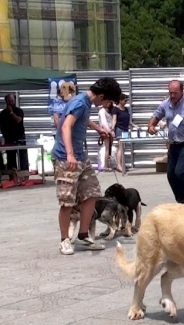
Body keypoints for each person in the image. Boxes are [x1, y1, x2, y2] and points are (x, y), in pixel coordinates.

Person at [51, 77, 121, 255]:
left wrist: (97, 128)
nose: (105, 105)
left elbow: (81, 119)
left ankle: (84, 234)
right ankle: (64, 240)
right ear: (102, 96)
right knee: (67, 201)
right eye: (107, 102)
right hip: (66, 158)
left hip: (81, 158)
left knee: (92, 193)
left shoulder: (84, 103)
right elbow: (66, 125)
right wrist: (70, 154)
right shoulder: (81, 102)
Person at [0, 94, 28, 170]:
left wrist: (11, 112)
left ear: (15, 101)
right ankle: (13, 176)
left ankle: (24, 175)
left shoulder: (19, 111)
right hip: (9, 139)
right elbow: (0, 123)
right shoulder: (3, 113)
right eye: (9, 101)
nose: (11, 103)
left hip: (20, 138)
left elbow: (18, 120)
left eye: (12, 101)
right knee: (11, 159)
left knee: (23, 158)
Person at [111, 93, 139, 172]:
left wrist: (135, 126)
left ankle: (122, 165)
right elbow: (114, 120)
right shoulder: (115, 109)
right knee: (120, 147)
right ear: (120, 100)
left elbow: (128, 121)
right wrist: (112, 130)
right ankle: (118, 165)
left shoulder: (126, 109)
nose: (125, 102)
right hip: (119, 129)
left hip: (125, 130)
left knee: (123, 148)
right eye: (124, 100)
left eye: (126, 100)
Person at [98, 101, 116, 171]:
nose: (109, 104)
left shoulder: (108, 111)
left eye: (110, 102)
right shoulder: (102, 111)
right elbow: (104, 122)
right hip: (106, 131)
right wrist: (109, 131)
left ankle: (108, 164)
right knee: (107, 148)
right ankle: (106, 165)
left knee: (109, 148)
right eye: (107, 102)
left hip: (110, 131)